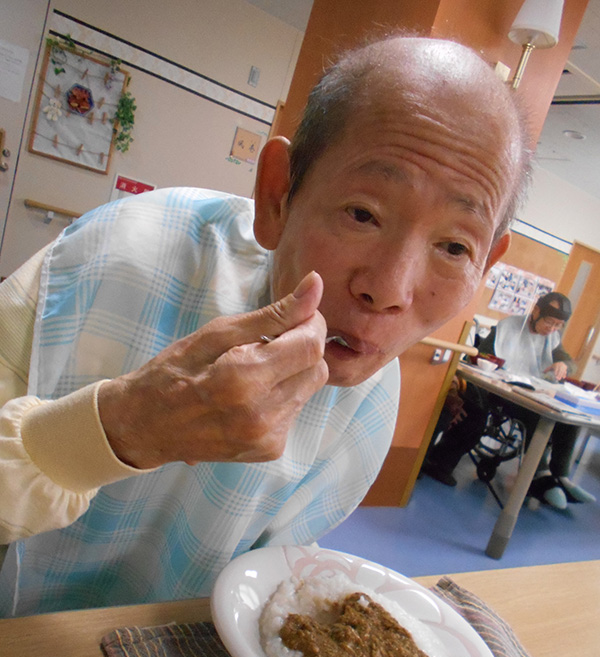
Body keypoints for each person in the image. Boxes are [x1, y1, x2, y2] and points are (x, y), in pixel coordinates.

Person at [0, 34, 529, 617]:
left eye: (454, 246)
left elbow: (252, 590)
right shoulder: (112, 258)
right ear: (278, 194)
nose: (389, 291)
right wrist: (125, 426)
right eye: (363, 213)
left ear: (485, 266)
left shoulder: (370, 409)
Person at [422, 292, 596, 508]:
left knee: (568, 419)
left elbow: (569, 362)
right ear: (536, 312)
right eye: (550, 322)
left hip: (533, 391)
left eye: (558, 325)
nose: (552, 329)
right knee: (538, 415)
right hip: (502, 393)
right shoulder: (507, 328)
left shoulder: (552, 338)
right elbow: (482, 357)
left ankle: (561, 476)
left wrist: (564, 366)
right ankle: (539, 475)